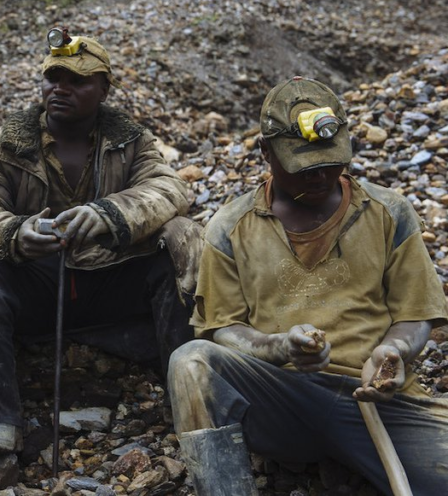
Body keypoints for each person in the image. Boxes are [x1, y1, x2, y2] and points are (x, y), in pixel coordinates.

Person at [168, 77, 448, 496]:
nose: (320, 176)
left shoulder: (388, 212)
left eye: (331, 162)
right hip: (282, 400)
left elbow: (415, 314)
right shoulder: (230, 227)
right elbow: (221, 329)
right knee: (191, 361)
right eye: (304, 166)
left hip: (380, 403)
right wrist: (280, 347)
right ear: (265, 151)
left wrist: (394, 352)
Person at [0, 28, 199, 460]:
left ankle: (188, 391)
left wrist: (111, 212)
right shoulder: (7, 143)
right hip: (37, 286)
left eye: (78, 81)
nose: (61, 89)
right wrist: (15, 232)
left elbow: (171, 190)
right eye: (53, 78)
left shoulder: (131, 140)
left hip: (111, 281)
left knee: (181, 235)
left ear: (104, 88)